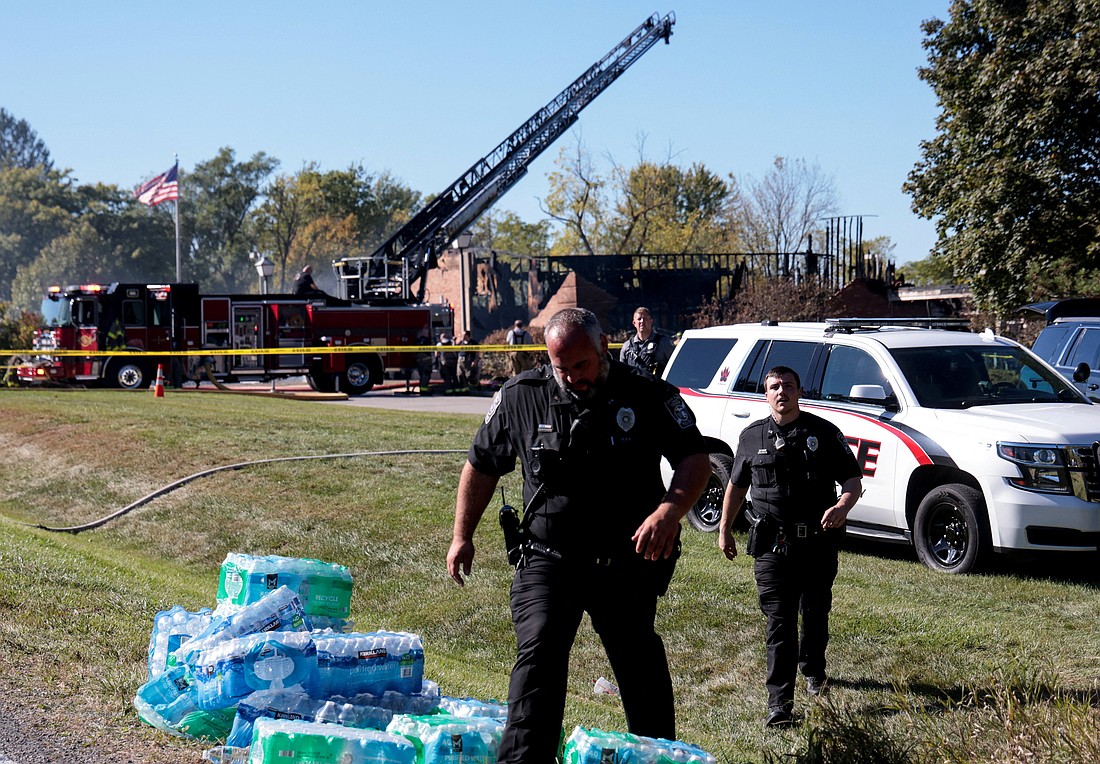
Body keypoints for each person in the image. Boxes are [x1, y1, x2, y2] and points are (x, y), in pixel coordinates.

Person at [446, 307, 711, 764]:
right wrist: (461, 535)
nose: (570, 377)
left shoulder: (646, 394)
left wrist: (670, 511)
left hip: (623, 561)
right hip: (549, 558)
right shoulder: (522, 395)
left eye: (580, 366)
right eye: (560, 367)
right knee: (539, 654)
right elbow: (482, 465)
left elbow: (695, 458)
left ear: (603, 345)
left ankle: (658, 757)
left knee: (639, 665)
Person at [717, 366, 862, 728]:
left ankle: (813, 668)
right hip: (770, 544)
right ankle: (779, 705)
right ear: (765, 394)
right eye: (774, 387)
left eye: (788, 386)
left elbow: (852, 480)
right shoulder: (751, 437)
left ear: (799, 392)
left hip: (816, 541)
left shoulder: (823, 433)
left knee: (815, 611)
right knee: (779, 621)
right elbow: (736, 487)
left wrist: (843, 506)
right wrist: (724, 531)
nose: (781, 392)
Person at [619, 306, 676, 378]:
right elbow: (621, 373)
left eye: (645, 318)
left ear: (651, 321)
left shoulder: (663, 343)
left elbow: (676, 368)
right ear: (634, 323)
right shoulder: (627, 346)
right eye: (639, 319)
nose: (642, 321)